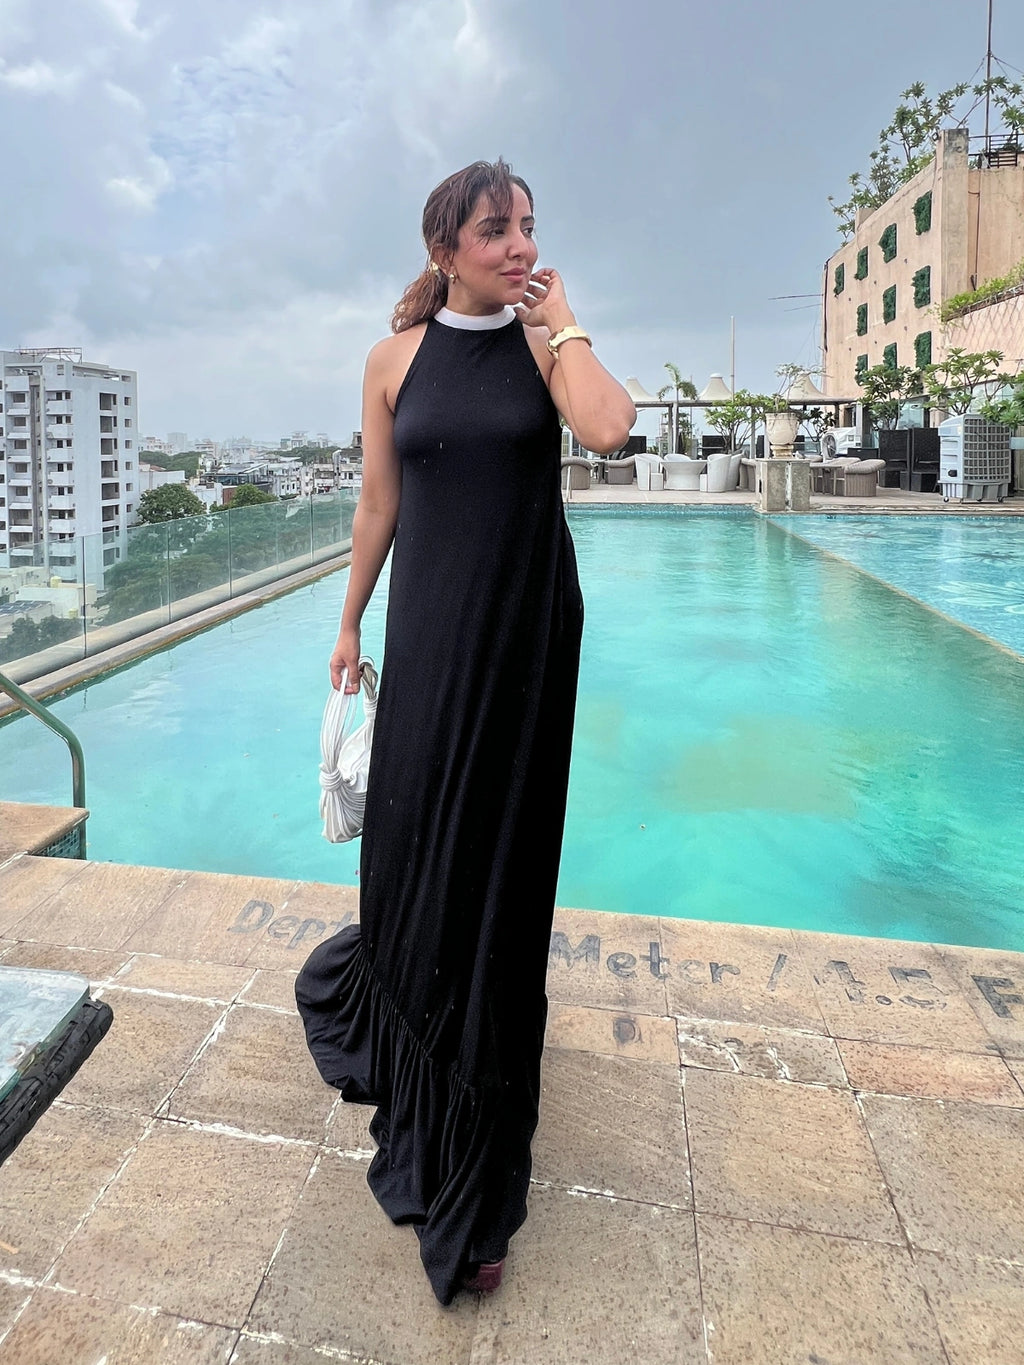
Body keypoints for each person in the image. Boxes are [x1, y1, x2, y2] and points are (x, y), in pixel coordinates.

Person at [295, 158, 635, 1306]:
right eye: (496, 230)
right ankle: (409, 1043)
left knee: (498, 875)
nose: (519, 245)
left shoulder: (546, 349)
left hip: (526, 640)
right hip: (431, 632)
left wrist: (564, 321)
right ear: (444, 247)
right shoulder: (391, 361)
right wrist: (349, 621)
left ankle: (478, 1165)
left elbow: (610, 430)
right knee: (409, 852)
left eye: (528, 226)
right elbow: (378, 504)